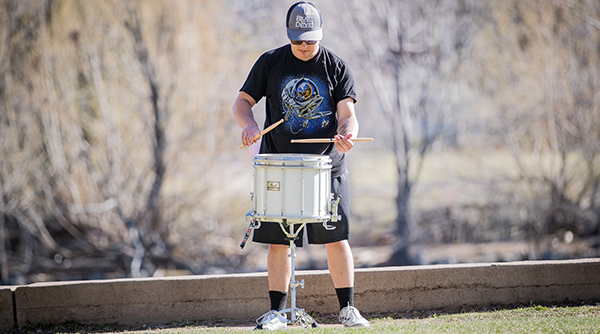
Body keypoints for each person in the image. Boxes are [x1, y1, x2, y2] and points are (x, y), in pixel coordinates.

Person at [232, 1, 369, 330]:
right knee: (279, 241)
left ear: (320, 34)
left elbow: (348, 116)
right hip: (279, 164)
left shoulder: (336, 66)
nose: (305, 46)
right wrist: (249, 125)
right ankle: (277, 313)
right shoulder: (270, 62)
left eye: (311, 39)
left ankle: (347, 310)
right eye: (298, 40)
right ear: (289, 35)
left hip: (326, 164)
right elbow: (242, 103)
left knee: (337, 238)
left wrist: (347, 135)